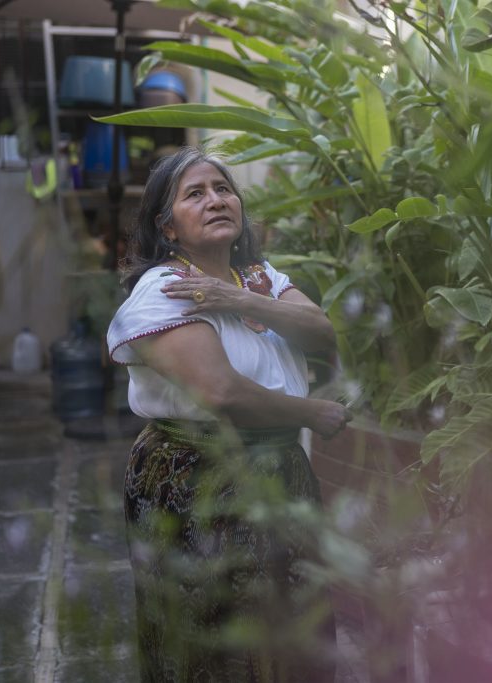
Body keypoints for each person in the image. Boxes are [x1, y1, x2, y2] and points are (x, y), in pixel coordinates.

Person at [107, 146, 349, 682]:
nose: (216, 200)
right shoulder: (165, 290)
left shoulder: (258, 278)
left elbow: (322, 331)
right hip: (199, 479)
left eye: (223, 189)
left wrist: (239, 300)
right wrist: (312, 411)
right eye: (195, 194)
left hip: (279, 473)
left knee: (295, 627)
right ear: (167, 228)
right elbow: (221, 392)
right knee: (216, 637)